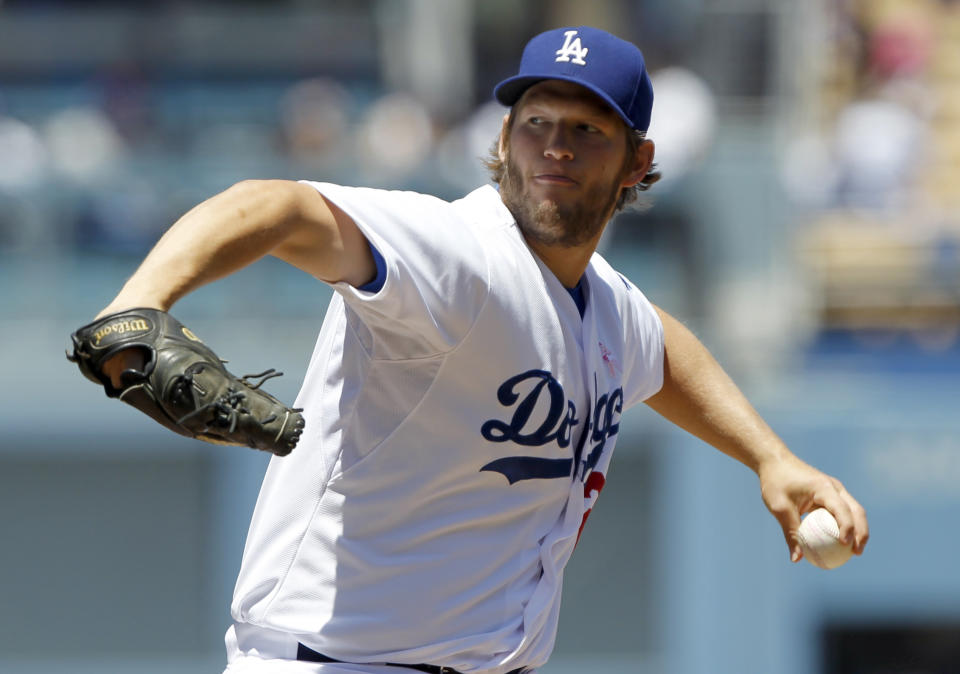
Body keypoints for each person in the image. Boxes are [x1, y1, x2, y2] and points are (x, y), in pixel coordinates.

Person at [96, 26, 869, 674]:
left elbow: (661, 348)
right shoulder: (457, 255)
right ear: (503, 137)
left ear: (638, 162)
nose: (555, 147)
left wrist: (770, 457)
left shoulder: (604, 305)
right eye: (537, 122)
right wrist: (138, 304)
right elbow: (273, 206)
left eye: (587, 130)